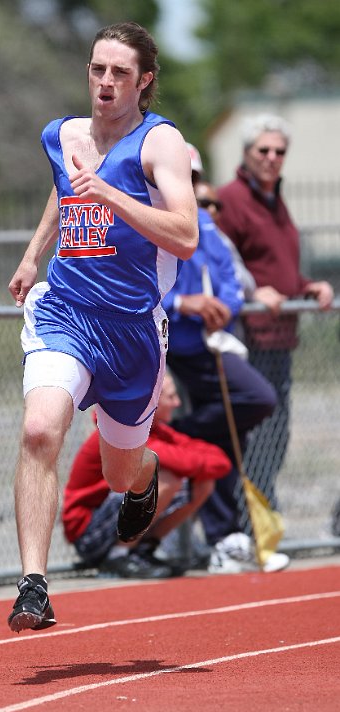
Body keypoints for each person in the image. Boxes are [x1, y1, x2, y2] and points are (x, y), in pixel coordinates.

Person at [6, 22, 198, 632]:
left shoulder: (159, 144)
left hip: (132, 330)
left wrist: (110, 195)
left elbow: (186, 236)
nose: (105, 83)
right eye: (97, 70)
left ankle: (143, 480)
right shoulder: (62, 134)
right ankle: (33, 584)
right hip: (66, 309)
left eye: (119, 73)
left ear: (144, 81)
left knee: (120, 470)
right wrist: (33, 253)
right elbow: (66, 192)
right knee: (40, 430)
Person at [162, 144, 287, 572]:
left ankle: (226, 536)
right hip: (176, 346)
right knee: (258, 398)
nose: (194, 191)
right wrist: (185, 303)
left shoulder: (205, 226)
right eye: (185, 179)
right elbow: (141, 289)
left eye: (196, 181)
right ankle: (225, 535)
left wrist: (222, 309)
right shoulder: (150, 220)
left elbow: (232, 283)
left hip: (213, 344)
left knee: (226, 431)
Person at [217, 113, 334, 510]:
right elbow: (216, 261)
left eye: (279, 151)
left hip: (280, 335)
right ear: (246, 153)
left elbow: (278, 265)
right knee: (256, 435)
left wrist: (307, 286)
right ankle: (250, 524)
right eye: (263, 150)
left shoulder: (275, 200)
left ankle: (261, 520)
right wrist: (250, 289)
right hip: (250, 335)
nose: (271, 157)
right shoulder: (231, 198)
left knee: (277, 436)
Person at [62, 371, 232, 579]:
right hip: (88, 534)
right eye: (171, 397)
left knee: (203, 483)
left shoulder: (157, 430)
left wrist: (196, 464)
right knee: (168, 479)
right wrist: (194, 463)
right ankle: (118, 557)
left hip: (114, 523)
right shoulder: (123, 431)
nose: (178, 403)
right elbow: (182, 461)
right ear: (153, 401)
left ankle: (143, 550)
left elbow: (220, 462)